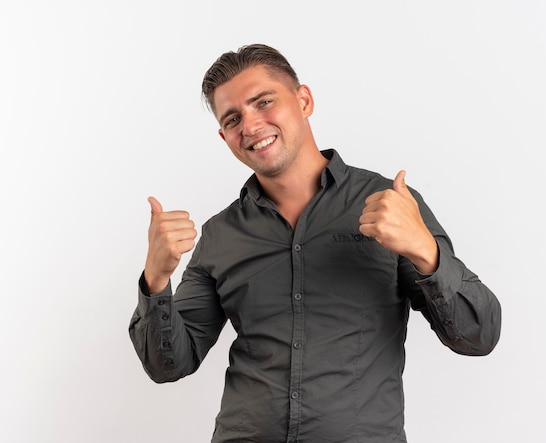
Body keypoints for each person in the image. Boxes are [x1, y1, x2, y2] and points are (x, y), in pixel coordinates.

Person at [129, 43, 501, 443]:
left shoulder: (390, 204)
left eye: (264, 102)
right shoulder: (220, 234)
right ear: (225, 137)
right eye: (233, 118)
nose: (250, 126)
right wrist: (156, 279)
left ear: (303, 100)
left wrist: (425, 252)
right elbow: (168, 366)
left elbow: (478, 337)